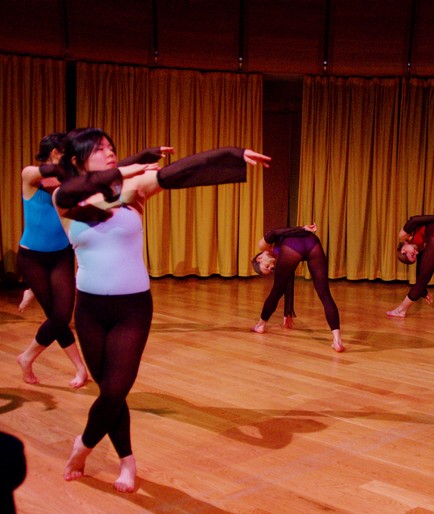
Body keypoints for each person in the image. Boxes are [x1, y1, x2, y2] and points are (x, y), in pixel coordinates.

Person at [53, 127, 270, 493]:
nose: (109, 152)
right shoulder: (65, 200)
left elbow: (178, 172)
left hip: (132, 308)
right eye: (99, 149)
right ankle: (127, 459)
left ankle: (83, 446)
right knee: (109, 392)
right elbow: (79, 189)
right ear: (77, 161)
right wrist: (128, 166)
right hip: (89, 308)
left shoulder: (131, 190)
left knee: (115, 390)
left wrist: (231, 155)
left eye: (111, 147)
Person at [15, 133, 88, 388]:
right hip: (32, 258)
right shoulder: (29, 174)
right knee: (56, 317)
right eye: (67, 153)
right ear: (56, 153)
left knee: (62, 316)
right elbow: (51, 173)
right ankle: (80, 368)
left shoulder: (67, 179)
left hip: (61, 255)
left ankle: (26, 357)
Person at [251, 223, 344, 352]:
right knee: (325, 293)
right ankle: (337, 340)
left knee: (276, 291)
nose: (271, 267)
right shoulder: (279, 256)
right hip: (312, 242)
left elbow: (274, 232)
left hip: (296, 242)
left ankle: (261, 325)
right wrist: (287, 312)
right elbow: (288, 281)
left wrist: (302, 228)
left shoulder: (263, 246)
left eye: (266, 267)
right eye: (270, 270)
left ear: (259, 258)